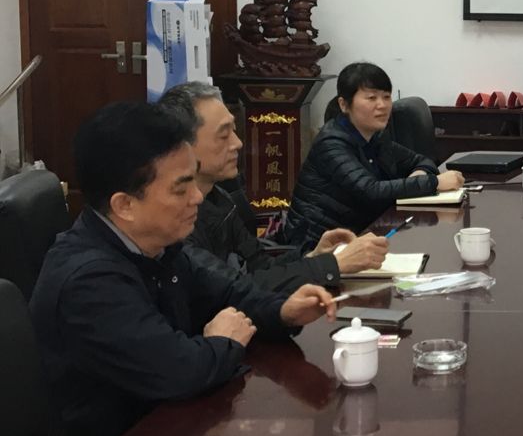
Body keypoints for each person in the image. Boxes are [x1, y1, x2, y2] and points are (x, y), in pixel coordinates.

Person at [28, 102, 336, 436]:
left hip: (169, 433)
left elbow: (229, 293)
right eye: (181, 189)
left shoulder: (157, 244)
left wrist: (283, 311)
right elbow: (177, 371)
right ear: (124, 205)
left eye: (194, 180)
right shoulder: (88, 282)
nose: (197, 198)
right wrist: (223, 341)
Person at [158, 81, 388, 292]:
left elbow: (261, 266)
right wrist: (332, 265)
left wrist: (314, 256)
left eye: (234, 131)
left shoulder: (220, 198)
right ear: (183, 146)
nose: (238, 143)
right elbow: (233, 288)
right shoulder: (173, 222)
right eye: (224, 135)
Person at [282, 62, 464, 247]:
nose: (382, 105)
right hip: (316, 246)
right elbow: (371, 191)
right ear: (344, 104)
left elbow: (422, 160)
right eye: (371, 98)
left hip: (362, 233)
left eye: (386, 97)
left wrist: (419, 175)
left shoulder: (376, 137)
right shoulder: (331, 144)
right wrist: (434, 182)